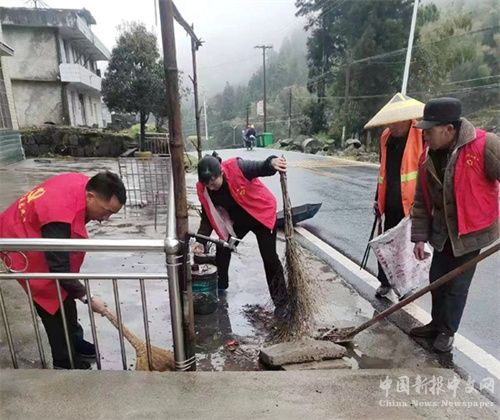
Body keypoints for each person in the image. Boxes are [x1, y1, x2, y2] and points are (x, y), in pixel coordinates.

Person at [0, 171, 126, 369]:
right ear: (90, 196)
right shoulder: (58, 215)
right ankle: (64, 361)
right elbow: (59, 269)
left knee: (66, 294)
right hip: (20, 240)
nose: (106, 218)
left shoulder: (84, 185)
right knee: (50, 300)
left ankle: (75, 341)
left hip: (39, 231)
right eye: (106, 211)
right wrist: (88, 297)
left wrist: (78, 291)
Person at [410, 97, 499, 353]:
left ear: (449, 129)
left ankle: (447, 332)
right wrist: (419, 237)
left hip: (471, 231)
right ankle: (436, 324)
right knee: (437, 279)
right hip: (442, 230)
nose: (425, 135)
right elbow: (421, 199)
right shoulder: (427, 156)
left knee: (457, 285)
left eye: (429, 130)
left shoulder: (485, 145)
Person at [192, 153, 288, 315]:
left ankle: (282, 302)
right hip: (238, 222)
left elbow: (260, 167)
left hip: (261, 215)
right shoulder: (204, 189)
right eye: (206, 184)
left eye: (213, 182)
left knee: (269, 257)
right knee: (223, 247)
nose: (210, 187)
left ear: (221, 172)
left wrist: (271, 162)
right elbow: (207, 217)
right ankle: (220, 285)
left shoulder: (237, 168)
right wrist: (200, 241)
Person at [365, 94, 425, 298]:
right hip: (390, 201)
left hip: (412, 203)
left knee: (407, 247)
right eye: (389, 122)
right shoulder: (386, 137)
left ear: (406, 119)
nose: (391, 126)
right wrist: (378, 198)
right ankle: (385, 282)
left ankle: (406, 286)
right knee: (387, 244)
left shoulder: (421, 134)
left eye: (395, 122)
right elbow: (382, 171)